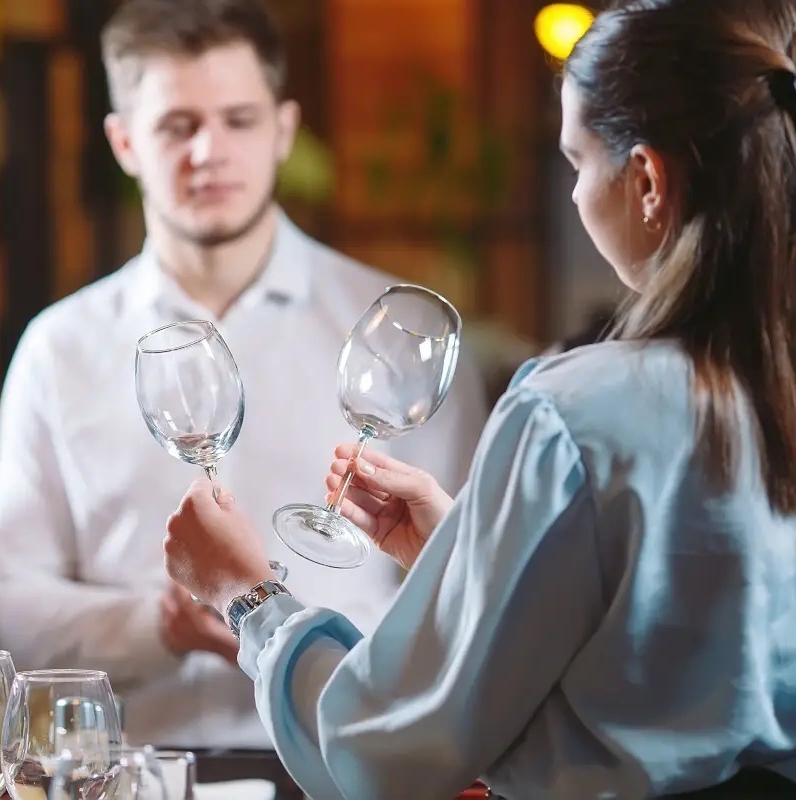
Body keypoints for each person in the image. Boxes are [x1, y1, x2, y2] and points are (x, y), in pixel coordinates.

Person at [162, 0, 796, 797]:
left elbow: (385, 750)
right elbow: (650, 660)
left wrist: (245, 596)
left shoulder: (571, 415)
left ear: (646, 181)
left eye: (577, 163)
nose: (571, 197)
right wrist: (467, 555)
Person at [0, 0, 488, 754]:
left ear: (284, 130)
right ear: (124, 142)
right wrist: (158, 627)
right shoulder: (58, 348)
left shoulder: (397, 335)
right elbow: (11, 607)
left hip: (349, 770)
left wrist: (284, 628)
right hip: (127, 773)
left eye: (239, 120)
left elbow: (468, 593)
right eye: (177, 125)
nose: (208, 151)